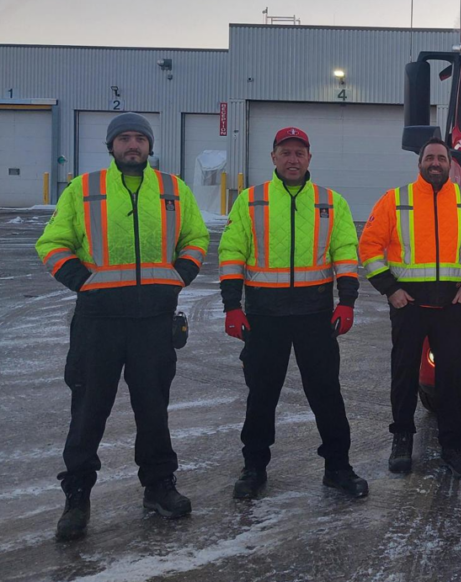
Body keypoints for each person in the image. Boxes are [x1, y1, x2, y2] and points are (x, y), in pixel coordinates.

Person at [36, 112, 209, 541]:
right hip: (99, 323)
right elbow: (53, 243)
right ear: (111, 146)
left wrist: (179, 277)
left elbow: (196, 238)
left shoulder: (173, 189)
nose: (133, 145)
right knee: (88, 411)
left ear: (150, 146)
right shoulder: (84, 189)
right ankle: (77, 495)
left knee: (153, 409)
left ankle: (158, 486)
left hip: (153, 320)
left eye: (140, 139)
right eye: (124, 139)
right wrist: (83, 282)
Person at [218, 127, 367, 499]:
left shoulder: (330, 202)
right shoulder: (252, 201)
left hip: (315, 315)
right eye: (285, 152)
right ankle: (254, 467)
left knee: (326, 392)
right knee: (261, 395)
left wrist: (347, 301)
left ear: (309, 159)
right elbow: (232, 253)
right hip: (263, 316)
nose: (292, 159)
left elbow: (346, 252)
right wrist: (232, 306)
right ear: (273, 157)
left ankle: (338, 467)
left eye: (299, 153)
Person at [359, 139, 461, 479]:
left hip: (450, 307)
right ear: (419, 163)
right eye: (429, 157)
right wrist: (391, 290)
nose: (435, 163)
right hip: (409, 305)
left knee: (450, 378)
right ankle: (401, 440)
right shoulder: (395, 200)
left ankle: (452, 448)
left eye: (441, 158)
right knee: (403, 373)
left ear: (450, 164)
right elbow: (369, 248)